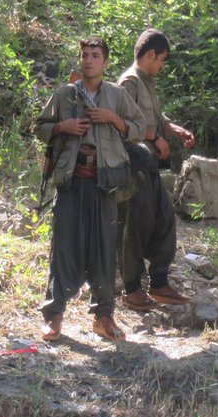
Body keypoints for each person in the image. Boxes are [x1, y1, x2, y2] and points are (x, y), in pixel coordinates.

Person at [35, 37, 144, 342]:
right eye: (84, 55)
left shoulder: (117, 95)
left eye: (95, 55)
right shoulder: (64, 94)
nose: (89, 60)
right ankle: (54, 316)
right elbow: (40, 127)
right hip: (71, 181)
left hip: (104, 184)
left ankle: (103, 317)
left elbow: (140, 128)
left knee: (104, 249)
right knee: (63, 247)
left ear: (105, 62)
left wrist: (113, 119)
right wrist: (63, 127)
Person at [115, 28, 196, 312]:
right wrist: (154, 137)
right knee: (135, 225)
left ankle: (159, 283)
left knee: (163, 218)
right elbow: (123, 124)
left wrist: (173, 130)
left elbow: (154, 118)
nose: (162, 65)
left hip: (149, 165)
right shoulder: (129, 82)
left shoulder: (146, 81)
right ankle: (132, 289)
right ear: (151, 54)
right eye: (162, 59)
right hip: (133, 165)